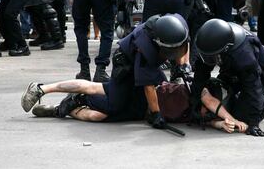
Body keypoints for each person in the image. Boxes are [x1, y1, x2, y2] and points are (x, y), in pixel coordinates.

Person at [21, 14, 190, 129]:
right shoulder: (146, 48)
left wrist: (184, 66)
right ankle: (66, 95)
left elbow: (183, 45)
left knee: (130, 107)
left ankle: (57, 105)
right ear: (159, 42)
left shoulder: (178, 26)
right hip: (126, 63)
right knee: (113, 106)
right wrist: (156, 114)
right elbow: (148, 86)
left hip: (142, 64)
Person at [192, 19, 264, 136]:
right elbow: (201, 75)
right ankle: (236, 99)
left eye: (211, 57)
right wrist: (195, 101)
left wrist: (254, 122)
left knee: (241, 119)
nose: (207, 59)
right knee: (211, 98)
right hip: (230, 70)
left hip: (258, 76)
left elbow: (253, 87)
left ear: (225, 49)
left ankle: (263, 100)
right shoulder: (207, 44)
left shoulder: (244, 55)